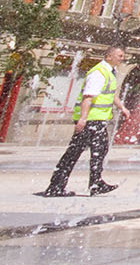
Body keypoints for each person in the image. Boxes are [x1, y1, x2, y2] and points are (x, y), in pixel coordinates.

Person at [40, 44, 129, 197]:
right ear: (109, 56)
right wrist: (83, 118)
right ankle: (59, 186)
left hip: (97, 120)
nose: (123, 58)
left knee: (97, 150)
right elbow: (88, 97)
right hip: (90, 120)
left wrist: (122, 108)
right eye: (120, 55)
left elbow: (111, 94)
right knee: (77, 152)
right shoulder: (99, 73)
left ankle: (93, 183)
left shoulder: (109, 72)